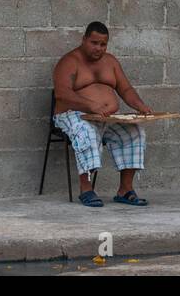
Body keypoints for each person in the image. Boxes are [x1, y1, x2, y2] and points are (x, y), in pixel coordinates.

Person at [51, 21, 155, 208]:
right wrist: (91, 106)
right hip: (72, 114)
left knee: (135, 131)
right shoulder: (69, 61)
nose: (98, 48)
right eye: (94, 43)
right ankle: (86, 189)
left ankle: (125, 190)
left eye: (103, 44)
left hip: (105, 118)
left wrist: (140, 106)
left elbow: (125, 89)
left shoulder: (111, 62)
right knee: (86, 132)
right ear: (84, 40)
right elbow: (62, 93)